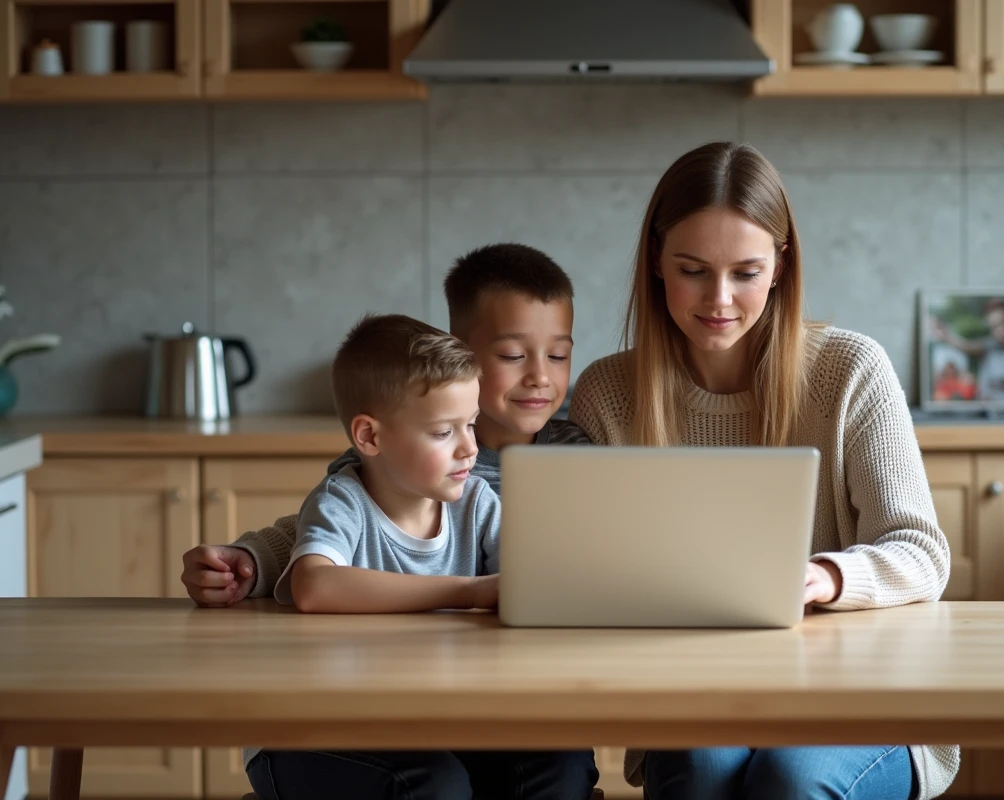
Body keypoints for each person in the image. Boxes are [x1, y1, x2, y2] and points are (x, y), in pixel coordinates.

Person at [566, 141, 955, 800]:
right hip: (690, 692)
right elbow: (588, 576)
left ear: (781, 266)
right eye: (693, 269)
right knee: (703, 766)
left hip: (857, 695)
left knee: (789, 780)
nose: (719, 299)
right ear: (657, 261)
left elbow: (921, 552)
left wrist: (824, 576)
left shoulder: (851, 370)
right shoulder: (608, 392)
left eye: (745, 272)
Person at [180, 246, 597, 800]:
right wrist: (255, 559)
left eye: (558, 355)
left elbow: (531, 581)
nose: (540, 377)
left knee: (559, 763)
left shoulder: (533, 474)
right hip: (333, 717)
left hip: (454, 708)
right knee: (435, 783)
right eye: (514, 354)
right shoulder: (356, 483)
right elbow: (314, 550)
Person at [931, 298, 1004, 403]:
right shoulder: (991, 347)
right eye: (995, 327)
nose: (1002, 330)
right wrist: (946, 336)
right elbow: (965, 345)